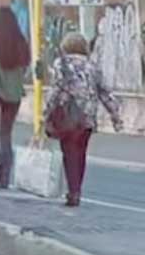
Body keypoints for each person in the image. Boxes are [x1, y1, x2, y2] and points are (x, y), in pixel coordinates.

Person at [45, 32, 123, 207]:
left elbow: (56, 89)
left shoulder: (61, 64)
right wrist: (115, 116)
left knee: (68, 153)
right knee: (80, 154)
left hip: (68, 116)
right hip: (87, 117)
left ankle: (73, 191)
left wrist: (47, 110)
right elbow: (105, 92)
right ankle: (76, 188)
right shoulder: (92, 66)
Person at [0, 6, 31, 188]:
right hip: (13, 93)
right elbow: (26, 65)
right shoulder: (21, 42)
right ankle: (5, 178)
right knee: (5, 133)